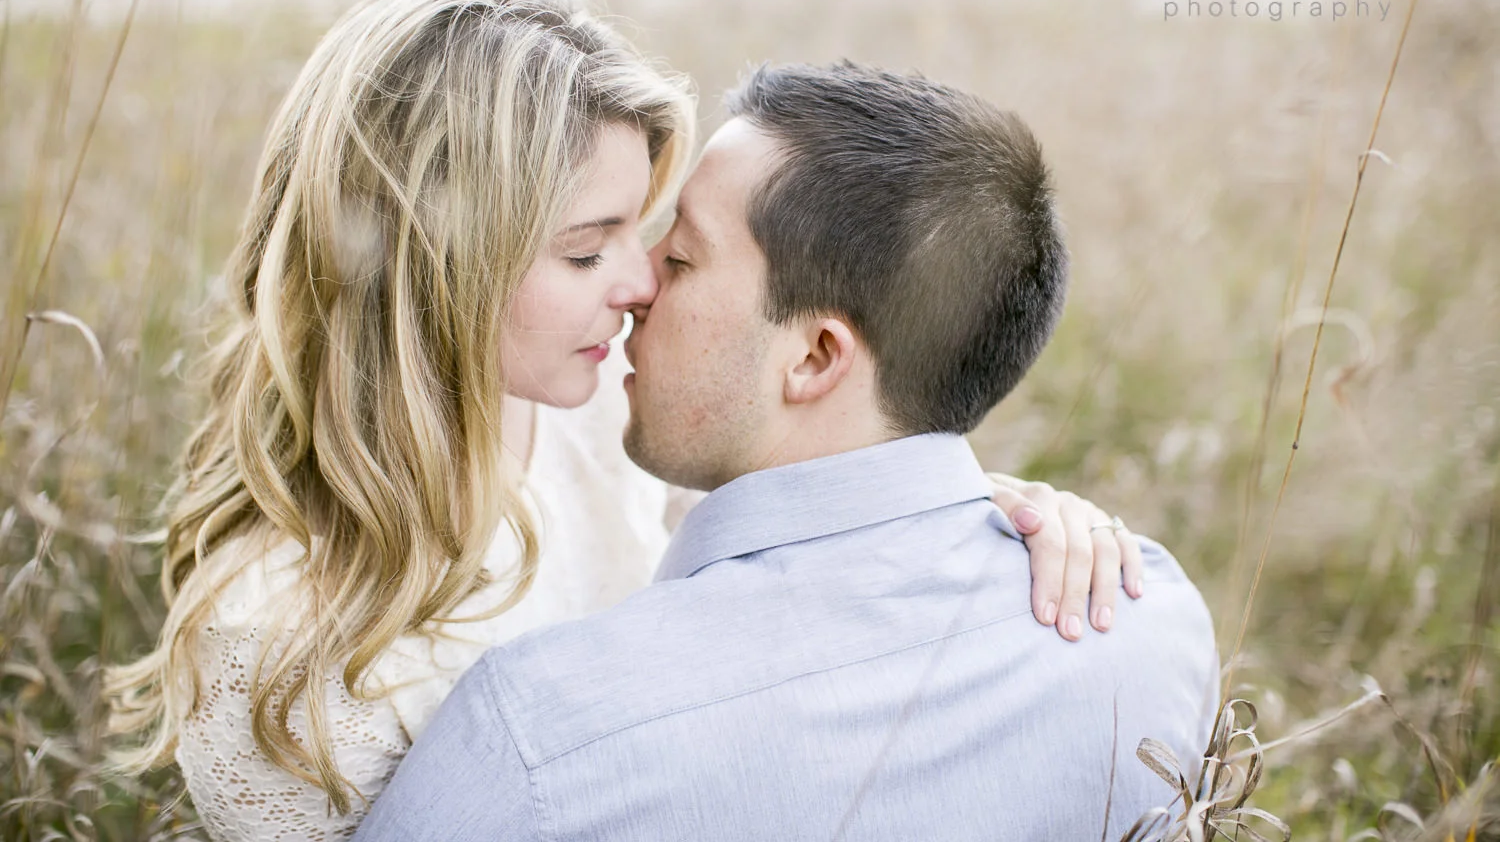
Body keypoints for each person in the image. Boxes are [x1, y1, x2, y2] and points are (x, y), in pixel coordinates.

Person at [106, 0, 1145, 841]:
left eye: (641, 233)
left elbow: (799, 538)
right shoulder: (279, 659)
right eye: (585, 248)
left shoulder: (591, 409)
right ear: (436, 261)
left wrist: (991, 515)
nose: (642, 282)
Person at [356, 62, 1220, 842]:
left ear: (814, 358)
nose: (640, 283)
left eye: (683, 255)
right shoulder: (1153, 629)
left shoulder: (537, 739)